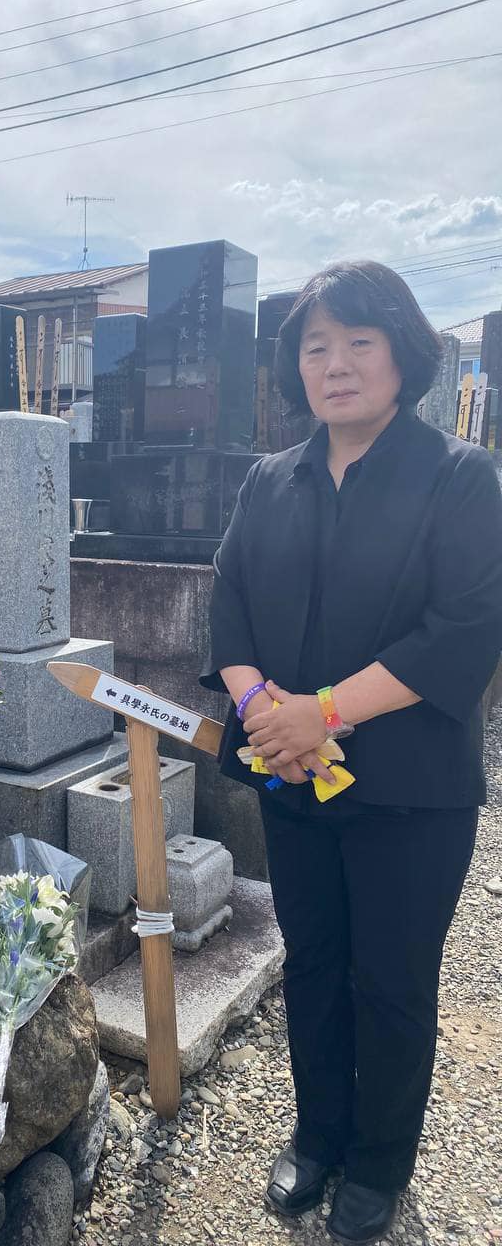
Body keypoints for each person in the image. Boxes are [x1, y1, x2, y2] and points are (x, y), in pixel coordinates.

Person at [201, 261, 502, 1244]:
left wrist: (323, 711)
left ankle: (380, 1160)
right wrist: (261, 710)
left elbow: (464, 627)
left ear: (401, 353)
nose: (335, 364)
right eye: (316, 345)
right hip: (293, 780)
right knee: (317, 962)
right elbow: (230, 602)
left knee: (393, 980)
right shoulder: (270, 480)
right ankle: (319, 1132)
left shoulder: (459, 476)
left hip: (412, 792)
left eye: (358, 342)